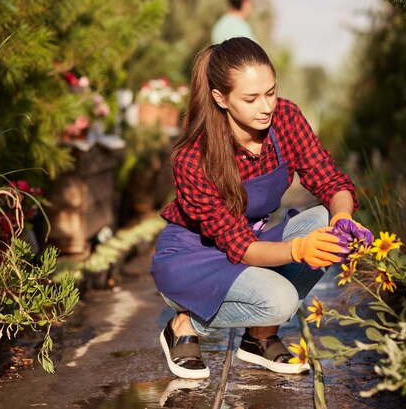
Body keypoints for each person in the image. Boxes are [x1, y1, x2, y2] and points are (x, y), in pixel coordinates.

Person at [150, 37, 371, 379]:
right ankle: (185, 322)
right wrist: (299, 249)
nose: (266, 106)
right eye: (251, 99)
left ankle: (259, 338)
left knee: (324, 219)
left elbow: (331, 181)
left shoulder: (285, 118)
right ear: (219, 98)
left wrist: (342, 220)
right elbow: (242, 248)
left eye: (271, 92)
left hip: (250, 244)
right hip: (193, 257)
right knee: (280, 301)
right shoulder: (193, 158)